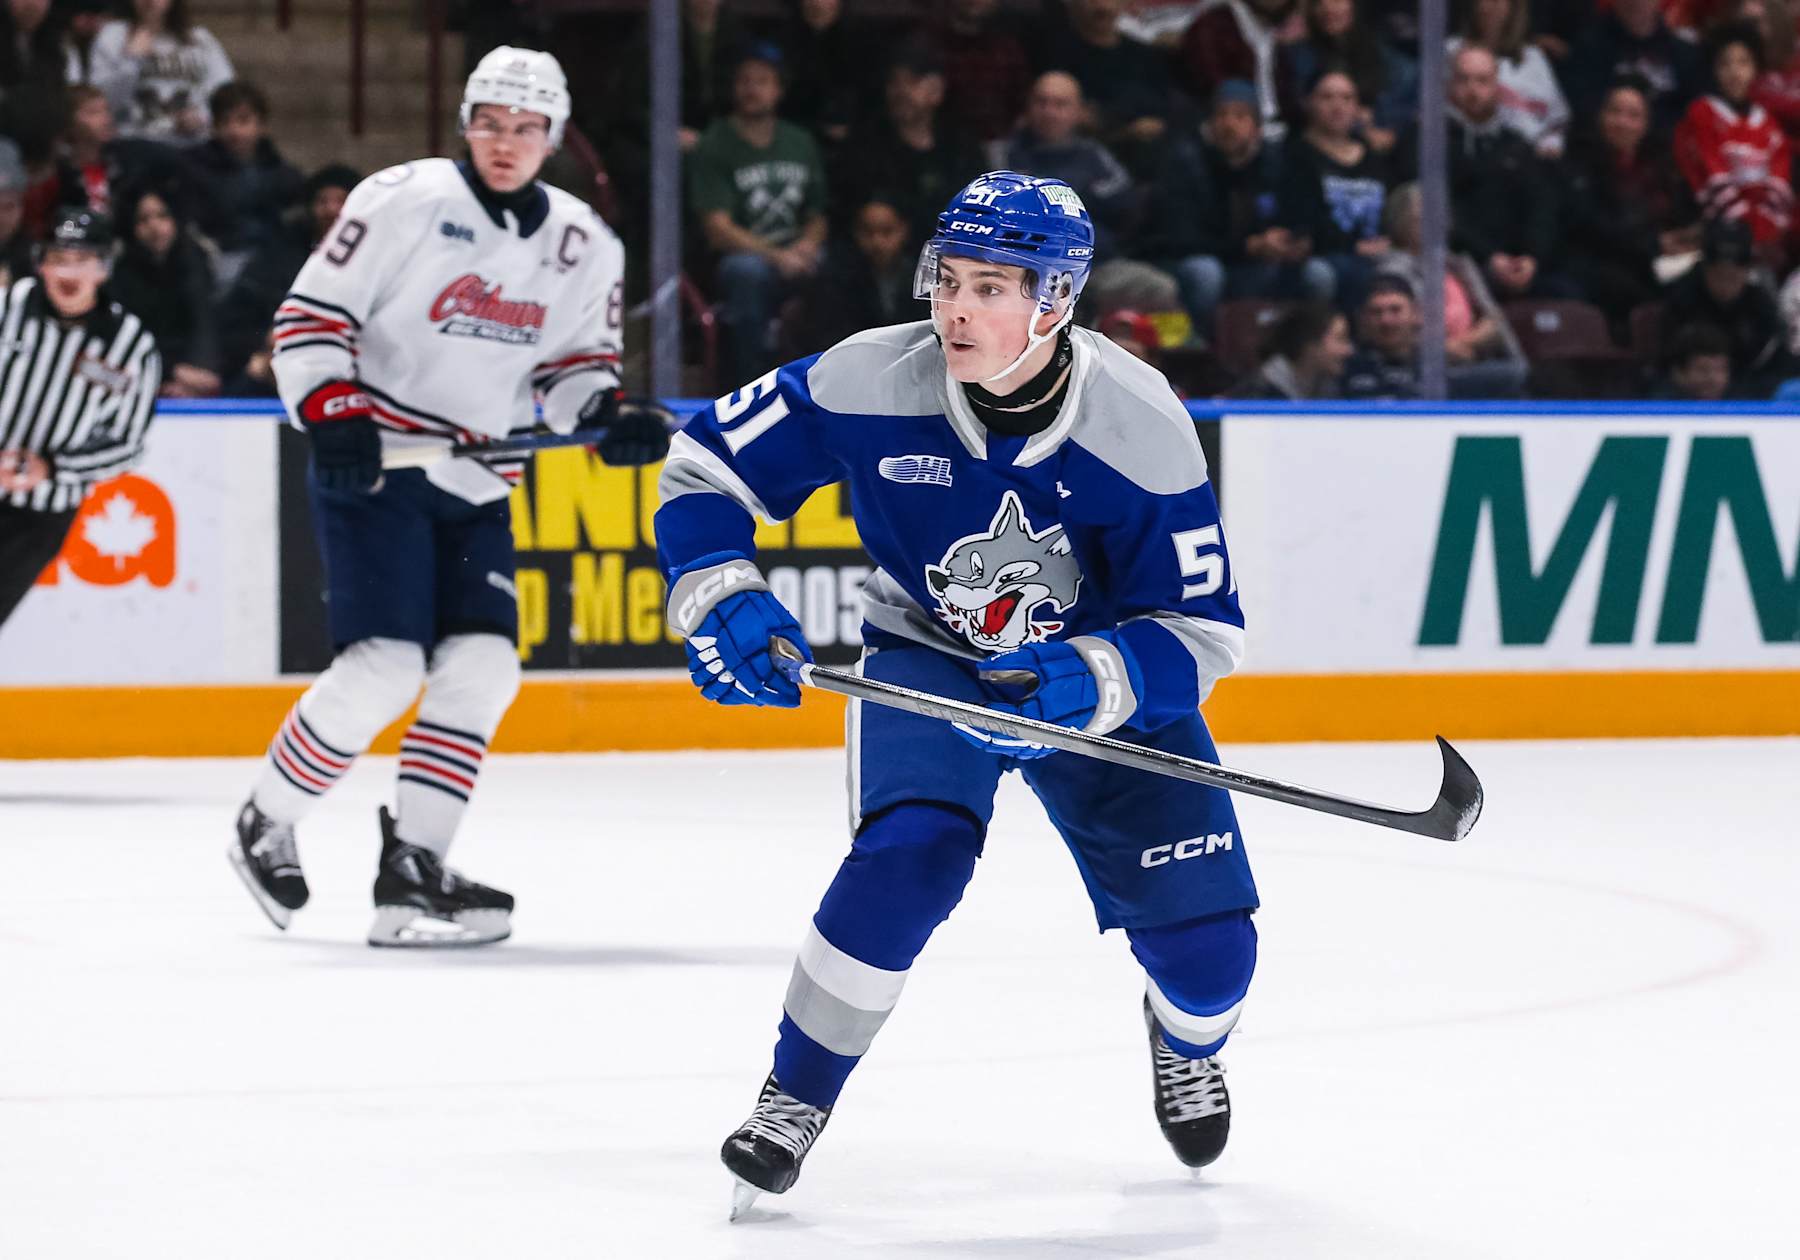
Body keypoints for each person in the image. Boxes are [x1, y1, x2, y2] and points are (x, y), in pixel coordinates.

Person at [654, 171, 1258, 1214]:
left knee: (1211, 963)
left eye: (991, 288)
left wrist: (1101, 680)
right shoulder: (866, 378)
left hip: (1092, 676)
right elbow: (705, 465)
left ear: (1056, 301)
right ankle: (793, 1097)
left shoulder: (1139, 423)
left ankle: (1185, 1035)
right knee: (909, 858)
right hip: (929, 652)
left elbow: (1201, 630)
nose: (957, 310)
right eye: (949, 280)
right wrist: (721, 593)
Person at [227, 47, 668, 948]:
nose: (505, 143)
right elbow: (311, 319)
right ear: (466, 124)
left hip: (476, 480)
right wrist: (334, 415)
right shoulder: (403, 200)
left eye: (526, 127)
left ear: (553, 136)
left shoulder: (584, 242)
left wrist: (607, 416)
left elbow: (574, 371)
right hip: (379, 464)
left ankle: (412, 871)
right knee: (384, 665)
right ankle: (264, 819)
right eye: (490, 123)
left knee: (483, 666)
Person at [0, 209, 162, 629]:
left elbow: (127, 445)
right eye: (58, 258)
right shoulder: (6, 309)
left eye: (83, 259)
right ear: (41, 264)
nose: (69, 271)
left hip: (39, 518)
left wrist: (51, 467)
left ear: (104, 267)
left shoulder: (130, 346)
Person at [1141, 80, 1333, 335]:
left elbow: (1311, 215)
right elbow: (1180, 238)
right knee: (1206, 273)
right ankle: (1198, 347)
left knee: (1318, 274)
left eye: (1240, 116)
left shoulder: (1279, 163)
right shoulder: (1186, 163)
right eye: (1221, 115)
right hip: (1189, 261)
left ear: (1258, 127)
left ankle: (1304, 348)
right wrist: (1248, 246)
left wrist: (1298, 241)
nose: (1229, 125)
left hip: (1256, 263)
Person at [688, 42, 829, 386]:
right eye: (744, 81)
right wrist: (778, 256)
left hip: (794, 253)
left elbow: (818, 212)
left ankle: (826, 381)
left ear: (778, 89)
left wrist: (808, 246)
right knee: (746, 273)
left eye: (762, 81)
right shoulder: (715, 143)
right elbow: (718, 228)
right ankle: (751, 384)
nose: (752, 89)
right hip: (745, 257)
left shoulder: (799, 141)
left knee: (836, 265)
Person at [1559, 74, 1700, 331]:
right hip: (1606, 264)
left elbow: (1682, 215)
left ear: (1646, 124)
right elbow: (1591, 226)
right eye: (1615, 112)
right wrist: (1653, 245)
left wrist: (1688, 237)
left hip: (1660, 258)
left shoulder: (1661, 166)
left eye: (1634, 116)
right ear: (1600, 116)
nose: (1623, 123)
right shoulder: (1578, 164)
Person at [1674, 21, 1794, 260]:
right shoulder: (1702, 114)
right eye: (1725, 63)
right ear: (1714, 70)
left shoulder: (1769, 124)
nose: (1734, 72)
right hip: (1718, 235)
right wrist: (1745, 231)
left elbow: (1779, 183)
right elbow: (1709, 176)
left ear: (1755, 69)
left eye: (1743, 62)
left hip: (1766, 240)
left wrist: (1765, 231)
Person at [106, 183, 220, 398]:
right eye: (143, 219)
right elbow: (123, 339)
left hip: (199, 376)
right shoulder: (121, 276)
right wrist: (171, 372)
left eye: (162, 216)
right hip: (141, 377)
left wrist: (201, 373)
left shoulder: (196, 262)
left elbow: (205, 324)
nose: (155, 226)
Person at [182, 80, 304, 268]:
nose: (234, 131)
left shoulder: (281, 173)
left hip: (269, 260)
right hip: (216, 258)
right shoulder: (194, 167)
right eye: (225, 121)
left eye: (243, 121)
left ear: (262, 125)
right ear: (214, 126)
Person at [78, 0, 234, 144]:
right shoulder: (112, 36)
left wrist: (202, 118)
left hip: (193, 146)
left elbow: (226, 94)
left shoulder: (200, 39)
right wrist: (131, 61)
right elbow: (100, 102)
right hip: (134, 144)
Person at [1659, 217, 1783, 391]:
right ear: (1705, 267)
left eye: (1734, 274)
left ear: (1747, 270)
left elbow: (1774, 358)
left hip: (1746, 389)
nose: (1726, 280)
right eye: (1719, 272)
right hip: (1684, 393)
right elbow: (1665, 362)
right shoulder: (1680, 298)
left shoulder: (1759, 304)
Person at [1447, 0, 1570, 156]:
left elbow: (1556, 120)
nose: (1487, 6)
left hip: (1525, 156)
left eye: (1497, 1)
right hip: (1463, 147)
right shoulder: (1452, 50)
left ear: (1513, 7)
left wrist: (1551, 145)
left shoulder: (1533, 57)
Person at [1228, 300, 1352, 398]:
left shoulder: (1331, 390)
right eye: (1340, 339)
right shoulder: (1257, 394)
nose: (1348, 350)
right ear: (1310, 343)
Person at [1655, 322, 1734, 399]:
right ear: (1678, 373)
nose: (1713, 379)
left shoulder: (1739, 401)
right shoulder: (1658, 405)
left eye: (1720, 369)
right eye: (1703, 370)